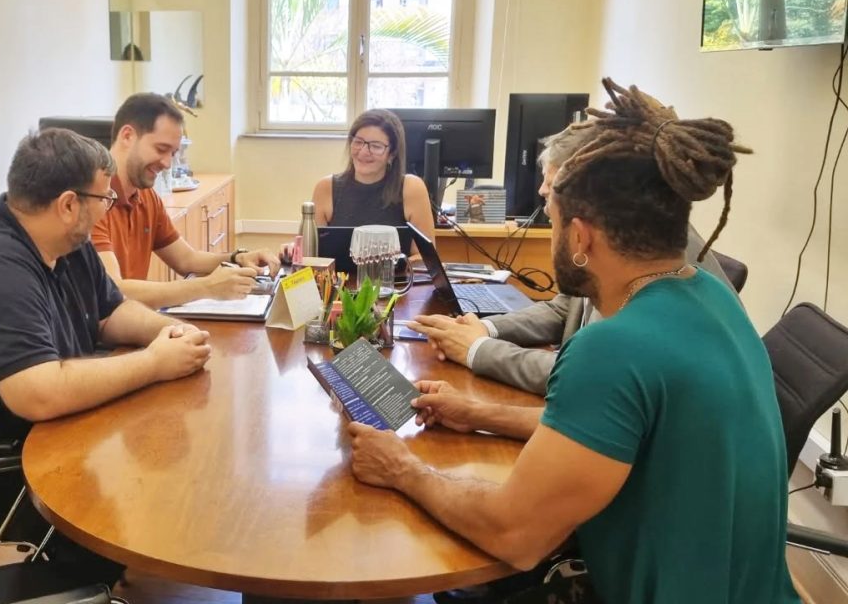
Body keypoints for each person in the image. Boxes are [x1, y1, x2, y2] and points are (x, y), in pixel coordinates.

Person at [348, 79, 799, 603]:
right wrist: (478, 413)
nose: (552, 227)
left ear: (580, 237)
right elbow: (614, 434)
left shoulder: (613, 347)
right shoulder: (712, 297)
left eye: (554, 216)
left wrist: (402, 468)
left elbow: (515, 535)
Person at [0, 128, 212, 584]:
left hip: (25, 437)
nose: (107, 210)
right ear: (69, 204)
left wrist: (169, 332)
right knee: (127, 499)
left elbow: (110, 312)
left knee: (155, 462)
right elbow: (40, 394)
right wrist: (154, 364)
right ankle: (77, 584)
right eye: (105, 199)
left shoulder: (63, 241)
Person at [408, 124, 737, 407]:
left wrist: (477, 349)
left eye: (551, 185)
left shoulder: (647, 263)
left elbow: (588, 377)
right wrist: (484, 330)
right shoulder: (630, 246)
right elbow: (565, 309)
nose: (541, 192)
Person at [92, 92, 280, 309]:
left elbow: (186, 259)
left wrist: (237, 258)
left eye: (172, 153)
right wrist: (206, 287)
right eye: (161, 149)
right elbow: (115, 291)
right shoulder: (94, 200)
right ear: (127, 136)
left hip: (132, 319)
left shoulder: (146, 196)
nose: (167, 164)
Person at [310, 108, 436, 255]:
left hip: (396, 271)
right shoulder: (325, 188)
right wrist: (294, 250)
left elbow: (424, 258)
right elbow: (311, 254)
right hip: (339, 271)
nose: (363, 152)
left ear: (392, 154)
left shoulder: (412, 188)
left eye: (376, 146)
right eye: (358, 142)